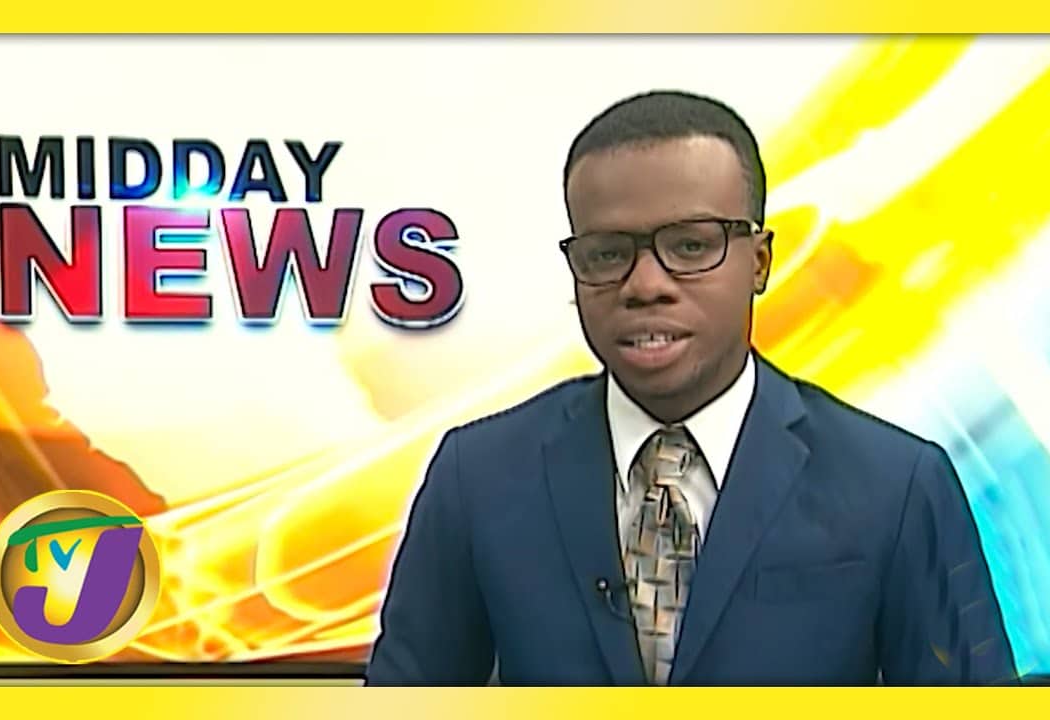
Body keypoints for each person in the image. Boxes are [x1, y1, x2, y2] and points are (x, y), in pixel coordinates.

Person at [365, 90, 1017, 686]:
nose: (646, 284)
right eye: (606, 253)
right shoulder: (477, 477)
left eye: (690, 245)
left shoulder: (897, 484)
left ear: (759, 261)